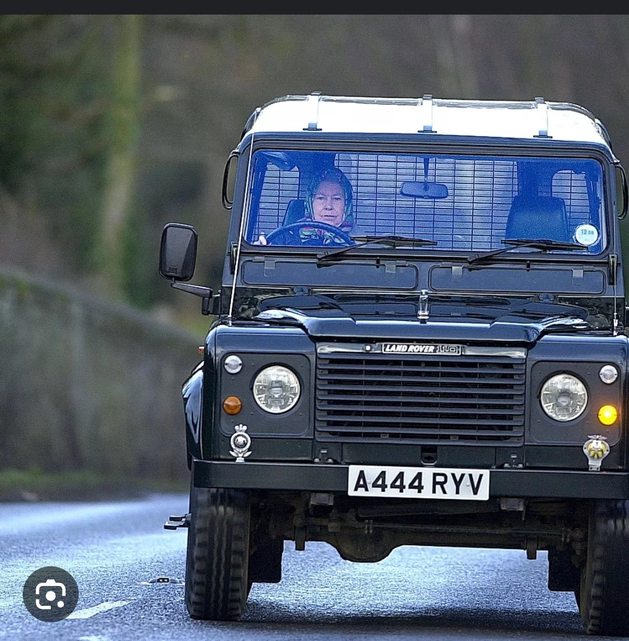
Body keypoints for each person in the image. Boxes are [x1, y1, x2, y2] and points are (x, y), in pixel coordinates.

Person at [255, 166, 362, 246]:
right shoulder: (284, 238)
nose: (328, 206)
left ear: (347, 205)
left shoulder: (361, 242)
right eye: (321, 198)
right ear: (310, 203)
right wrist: (260, 249)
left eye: (337, 199)